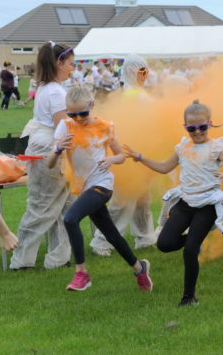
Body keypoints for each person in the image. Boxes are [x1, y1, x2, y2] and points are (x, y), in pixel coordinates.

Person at [123, 99, 223, 306]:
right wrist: (140, 157)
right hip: (186, 202)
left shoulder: (216, 148)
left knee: (190, 251)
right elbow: (163, 167)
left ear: (210, 124)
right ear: (185, 127)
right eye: (192, 128)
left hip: (207, 205)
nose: (197, 132)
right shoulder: (182, 147)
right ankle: (196, 238)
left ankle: (189, 297)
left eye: (202, 127)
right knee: (164, 244)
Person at [47, 84, 152, 291]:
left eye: (83, 113)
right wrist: (58, 149)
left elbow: (121, 155)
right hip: (84, 188)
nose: (78, 119)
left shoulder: (105, 127)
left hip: (103, 184)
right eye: (72, 114)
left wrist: (111, 159)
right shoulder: (65, 127)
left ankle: (81, 273)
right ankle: (140, 268)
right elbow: (50, 163)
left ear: (92, 106)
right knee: (111, 235)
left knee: (70, 218)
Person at [9, 41, 74, 270]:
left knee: (64, 206)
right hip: (49, 150)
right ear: (59, 63)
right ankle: (21, 260)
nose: (72, 69)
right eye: (70, 64)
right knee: (43, 206)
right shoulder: (56, 91)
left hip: (42, 147)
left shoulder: (47, 87)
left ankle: (59, 257)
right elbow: (62, 128)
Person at [89, 54, 157, 256]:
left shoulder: (131, 93)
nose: (145, 76)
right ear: (131, 72)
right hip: (129, 154)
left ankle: (145, 237)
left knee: (143, 199)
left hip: (139, 152)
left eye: (146, 71)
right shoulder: (135, 95)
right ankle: (102, 242)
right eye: (142, 72)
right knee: (122, 200)